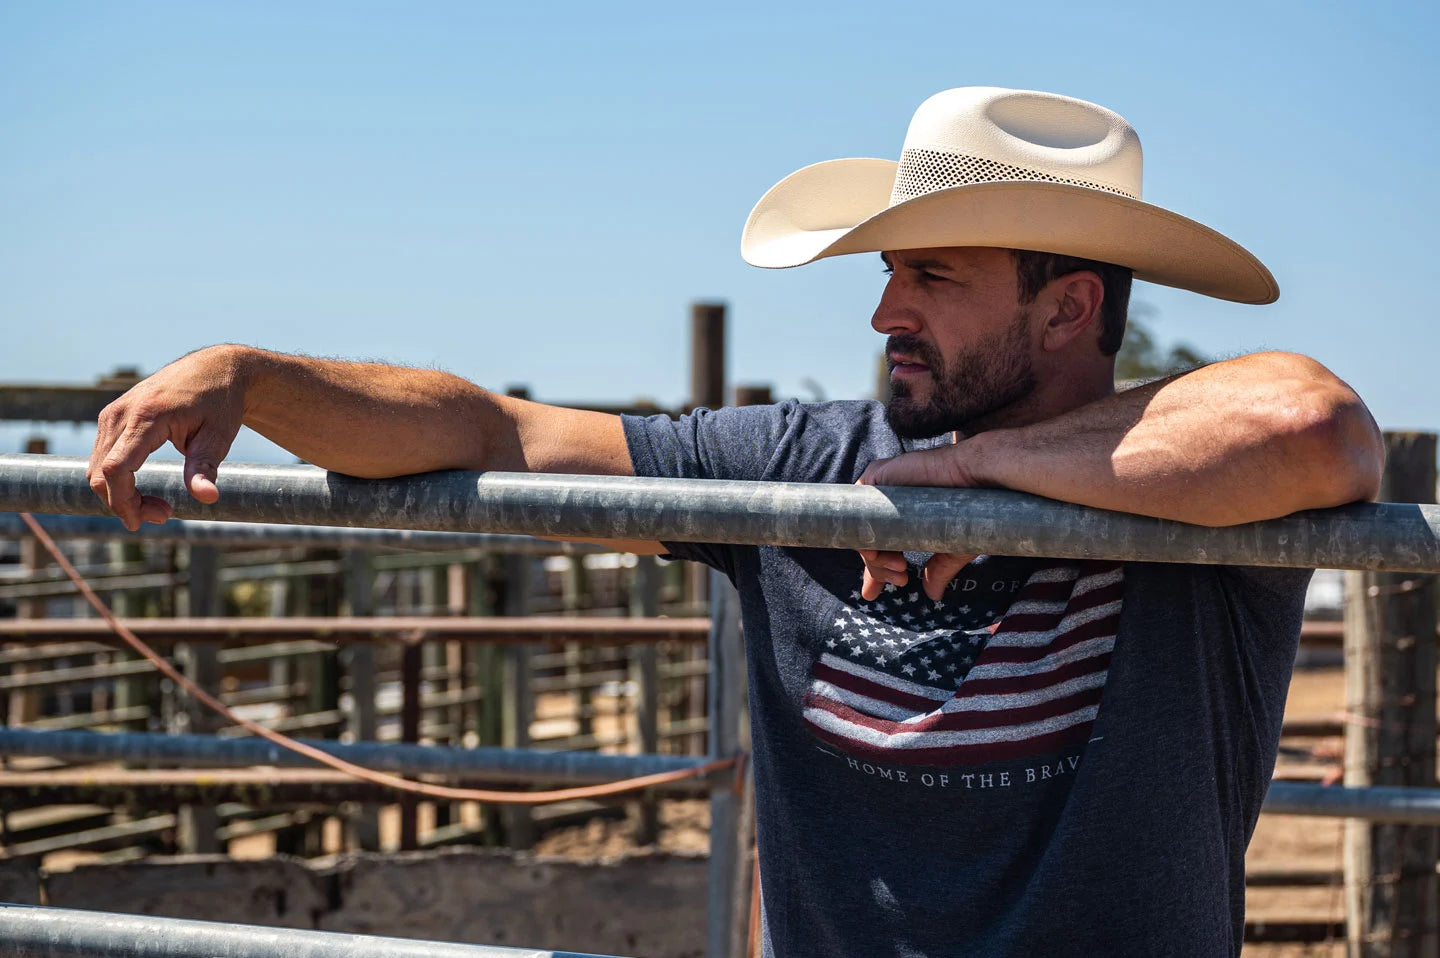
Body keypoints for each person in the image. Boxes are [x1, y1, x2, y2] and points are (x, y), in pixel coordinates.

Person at [87, 87, 1382, 956]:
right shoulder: (805, 461)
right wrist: (253, 376)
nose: (884, 313)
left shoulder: (1199, 478)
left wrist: (978, 478)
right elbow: (503, 432)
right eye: (887, 271)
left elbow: (1317, 425)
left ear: (1066, 311)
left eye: (932, 274)